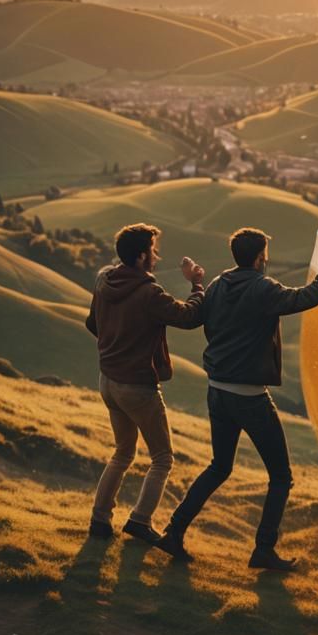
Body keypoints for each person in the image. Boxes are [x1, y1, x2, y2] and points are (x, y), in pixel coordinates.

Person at [157, 228, 318, 568]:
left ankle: (173, 531)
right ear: (260, 258)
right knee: (281, 476)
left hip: (218, 392)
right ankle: (263, 550)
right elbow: (310, 296)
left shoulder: (217, 284)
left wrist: (196, 284)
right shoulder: (263, 288)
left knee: (219, 467)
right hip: (249, 399)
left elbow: (194, 318)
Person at [86, 223, 205, 542]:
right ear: (141, 257)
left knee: (123, 452)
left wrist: (117, 342)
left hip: (107, 380)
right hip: (136, 386)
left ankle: (99, 520)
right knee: (162, 458)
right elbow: (189, 317)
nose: (156, 255)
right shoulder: (148, 293)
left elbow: (91, 323)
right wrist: (196, 285)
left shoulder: (105, 281)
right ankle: (140, 520)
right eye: (152, 251)